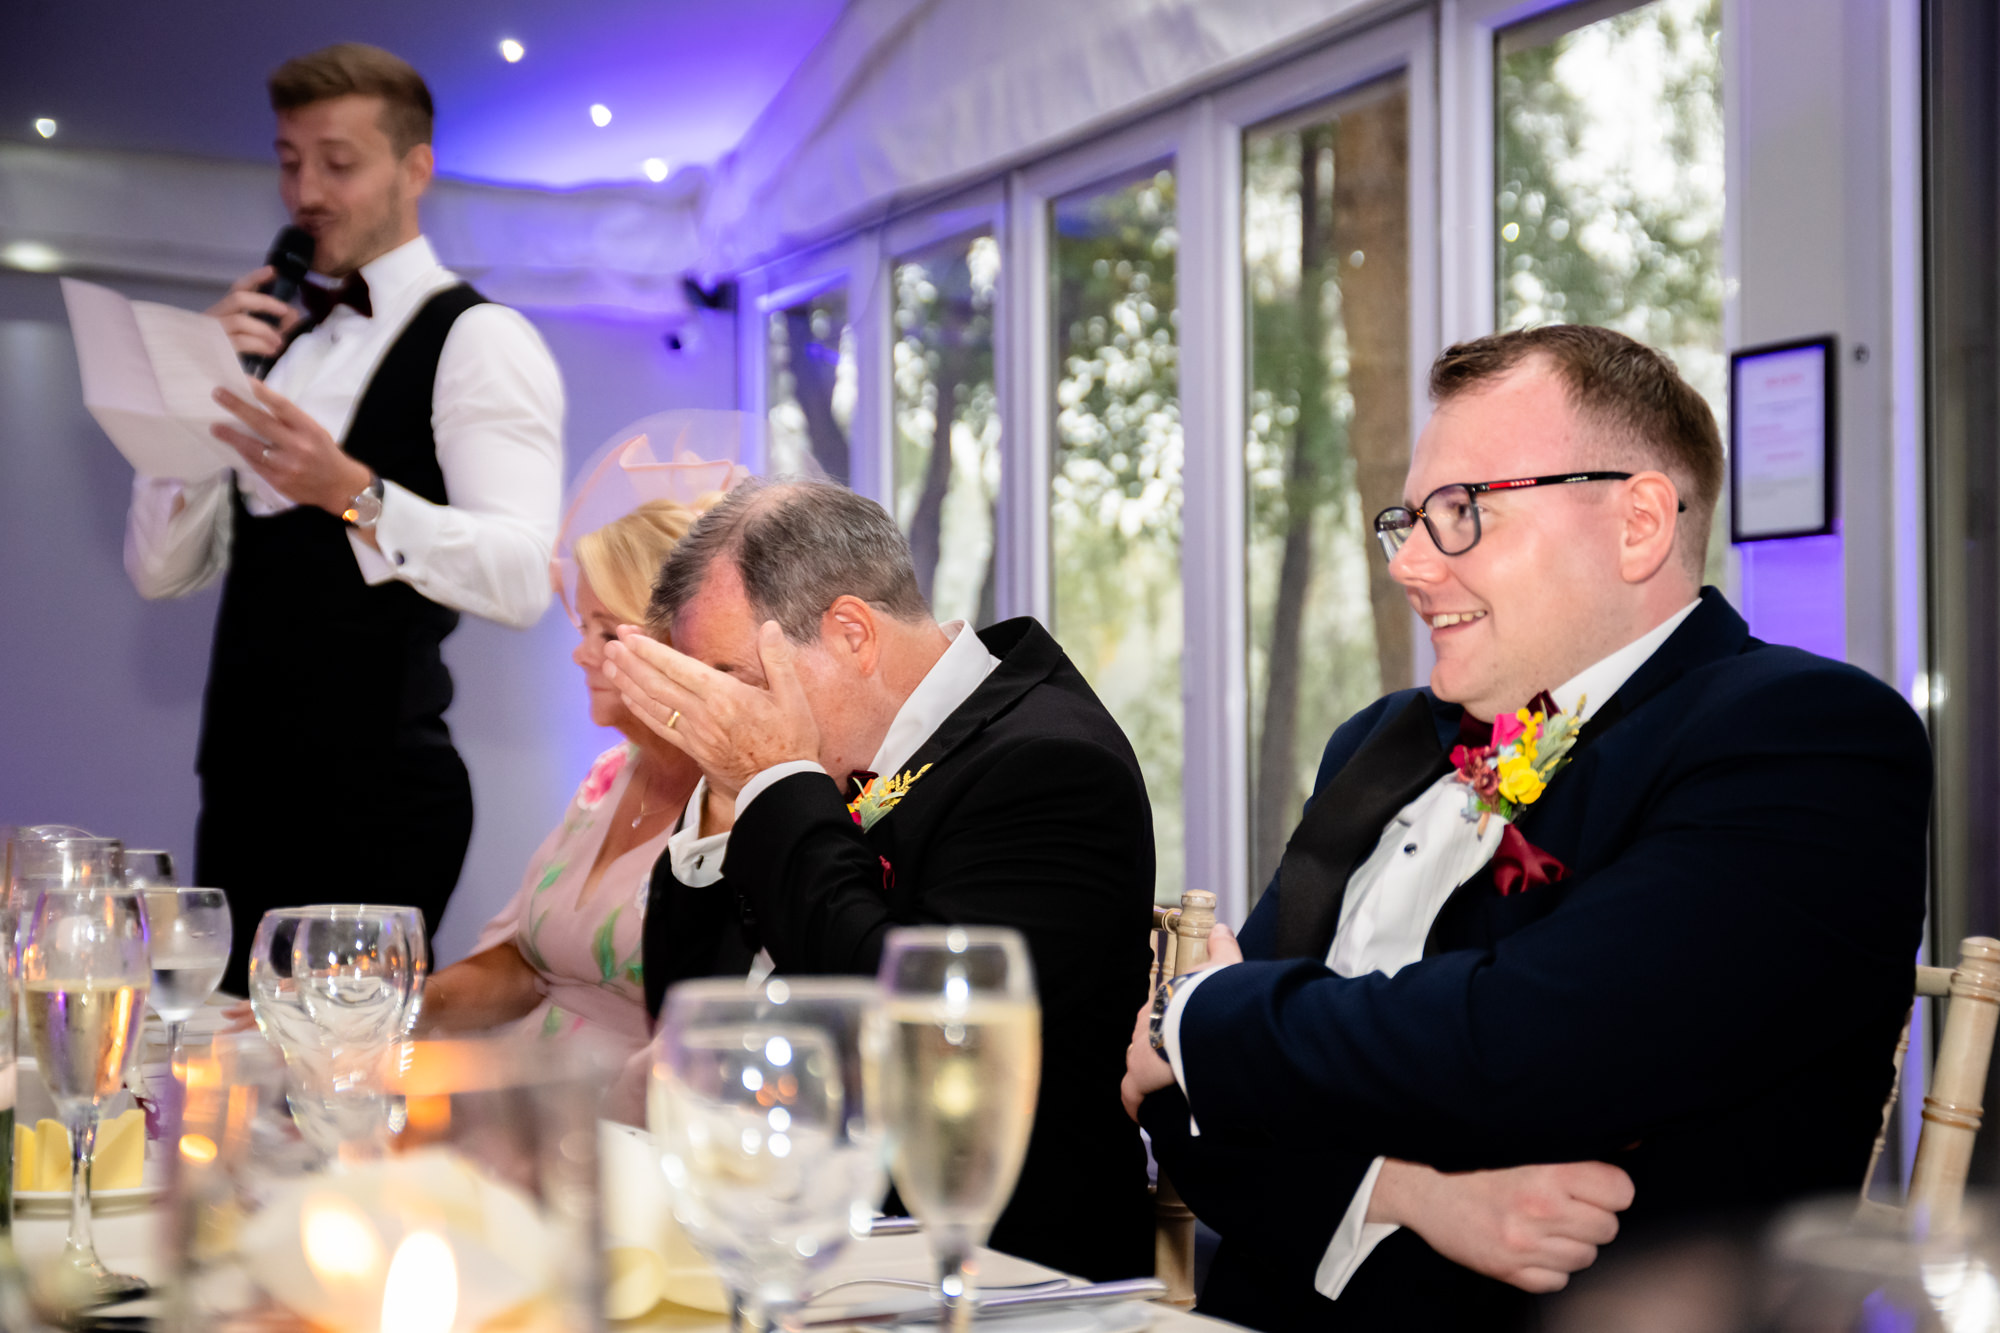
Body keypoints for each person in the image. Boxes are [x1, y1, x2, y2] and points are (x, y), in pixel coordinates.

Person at [1121, 325, 1932, 1330]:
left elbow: (1532, 1041)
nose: (1410, 564)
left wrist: (1199, 1014)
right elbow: (1181, 1110)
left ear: (1637, 523)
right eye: (1407, 519)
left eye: (1462, 512)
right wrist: (1403, 1190)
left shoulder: (1803, 737)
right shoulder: (1377, 743)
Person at [603, 479, 1156, 1282]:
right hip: (794, 1235)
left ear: (853, 633)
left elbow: (909, 1035)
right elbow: (692, 1012)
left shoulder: (1048, 764)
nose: (725, 715)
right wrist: (734, 800)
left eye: (736, 678)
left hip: (995, 1272)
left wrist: (772, 782)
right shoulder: (831, 756)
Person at [122, 43, 564, 995]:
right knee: (233, 1086)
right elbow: (162, 572)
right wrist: (186, 408)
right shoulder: (281, 341)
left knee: (343, 1087)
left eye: (338, 160)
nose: (305, 190)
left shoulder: (479, 339)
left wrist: (353, 492)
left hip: (381, 797)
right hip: (240, 786)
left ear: (416, 168)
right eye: (288, 160)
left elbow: (527, 577)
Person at [415, 498, 715, 1120]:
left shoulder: (739, 806)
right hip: (521, 1106)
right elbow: (526, 965)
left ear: (679, 646)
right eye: (584, 629)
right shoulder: (608, 777)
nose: (581, 654)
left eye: (606, 632)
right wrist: (391, 1010)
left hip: (629, 1132)